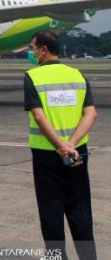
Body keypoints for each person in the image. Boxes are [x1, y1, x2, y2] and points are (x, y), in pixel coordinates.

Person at [25, 30, 97, 259]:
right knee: (80, 209)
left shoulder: (33, 76)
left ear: (43, 50)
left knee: (51, 211)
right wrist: (72, 145)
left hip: (47, 155)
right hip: (78, 153)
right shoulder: (77, 75)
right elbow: (91, 114)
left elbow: (39, 117)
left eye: (33, 48)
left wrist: (61, 146)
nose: (31, 52)